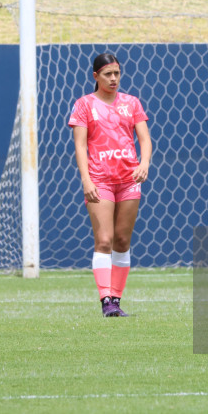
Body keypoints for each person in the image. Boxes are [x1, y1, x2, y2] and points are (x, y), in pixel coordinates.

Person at [69, 53, 152, 317]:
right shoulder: (84, 105)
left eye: (117, 73)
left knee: (122, 239)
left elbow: (145, 139)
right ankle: (106, 301)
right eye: (108, 74)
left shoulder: (132, 103)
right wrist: (86, 180)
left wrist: (144, 163)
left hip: (128, 180)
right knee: (103, 240)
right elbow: (80, 146)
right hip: (100, 180)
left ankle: (116, 300)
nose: (114, 78)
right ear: (96, 76)